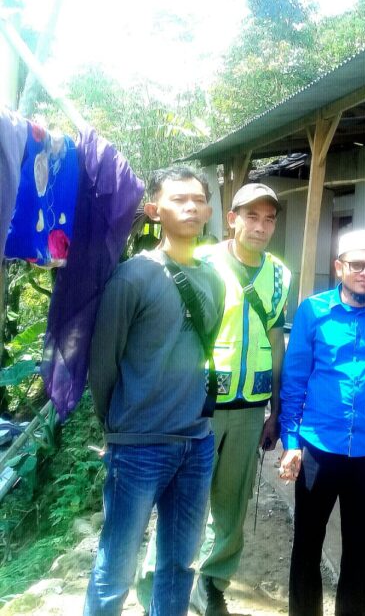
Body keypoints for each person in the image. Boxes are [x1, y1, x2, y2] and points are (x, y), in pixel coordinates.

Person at [136, 183, 291, 616]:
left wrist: (276, 410)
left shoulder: (279, 274)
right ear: (232, 219)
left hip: (249, 407)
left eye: (269, 218)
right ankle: (154, 590)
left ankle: (211, 583)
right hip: (196, 403)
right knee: (181, 501)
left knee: (231, 505)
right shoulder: (201, 261)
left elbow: (276, 338)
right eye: (252, 216)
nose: (261, 226)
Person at [84, 166, 225, 616]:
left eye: (197, 199)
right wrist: (116, 429)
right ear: (153, 211)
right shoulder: (132, 278)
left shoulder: (214, 280)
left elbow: (195, 352)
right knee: (116, 569)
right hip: (138, 448)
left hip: (197, 445)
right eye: (177, 199)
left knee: (179, 566)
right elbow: (103, 364)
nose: (189, 206)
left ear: (207, 210)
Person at [279, 229, 365, 616]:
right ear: (339, 267)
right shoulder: (313, 311)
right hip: (318, 449)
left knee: (360, 551)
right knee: (307, 544)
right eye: (357, 265)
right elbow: (294, 381)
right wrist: (291, 442)